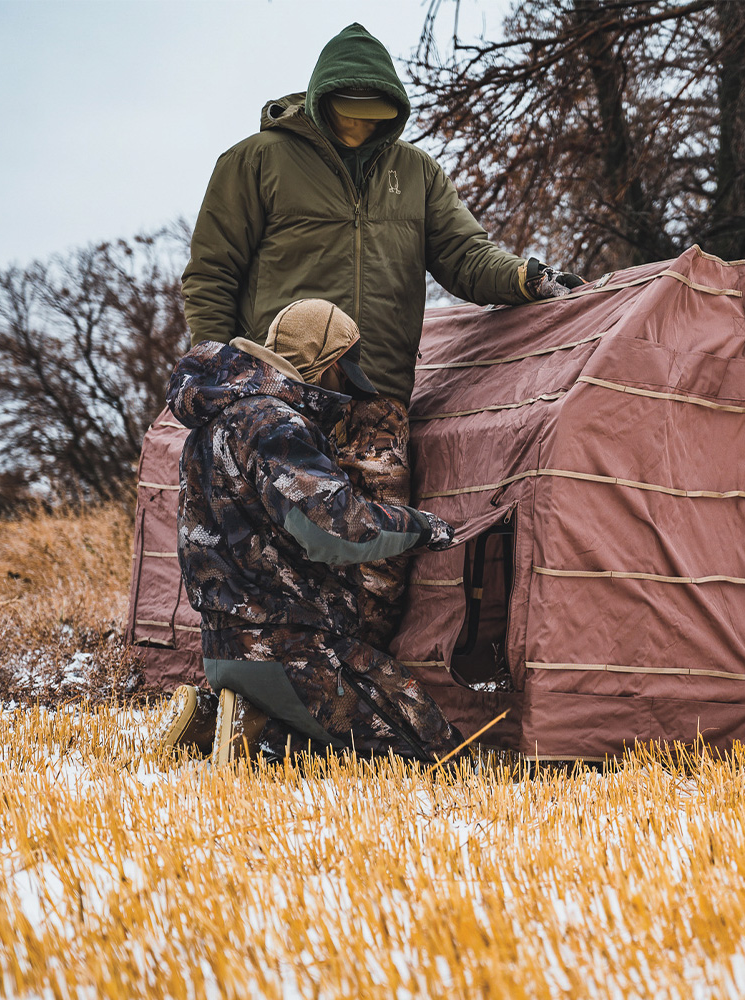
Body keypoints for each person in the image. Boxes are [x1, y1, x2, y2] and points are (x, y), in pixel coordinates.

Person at [181, 22, 582, 651]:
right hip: (279, 398)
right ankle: (270, 689)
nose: (360, 125)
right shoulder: (254, 162)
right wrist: (219, 376)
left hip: (377, 400)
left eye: (375, 113)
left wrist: (528, 279)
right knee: (277, 546)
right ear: (321, 100)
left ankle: (349, 690)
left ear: (393, 111)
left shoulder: (417, 173)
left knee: (378, 561)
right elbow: (211, 273)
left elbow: (465, 256)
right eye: (348, 110)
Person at [156, 298, 462, 764]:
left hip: (223, 648)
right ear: (329, 364)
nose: (344, 390)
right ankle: (262, 742)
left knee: (359, 728)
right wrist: (422, 527)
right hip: (292, 653)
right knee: (433, 752)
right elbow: (334, 532)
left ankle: (221, 718)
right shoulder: (274, 423)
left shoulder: (213, 423)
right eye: (344, 375)